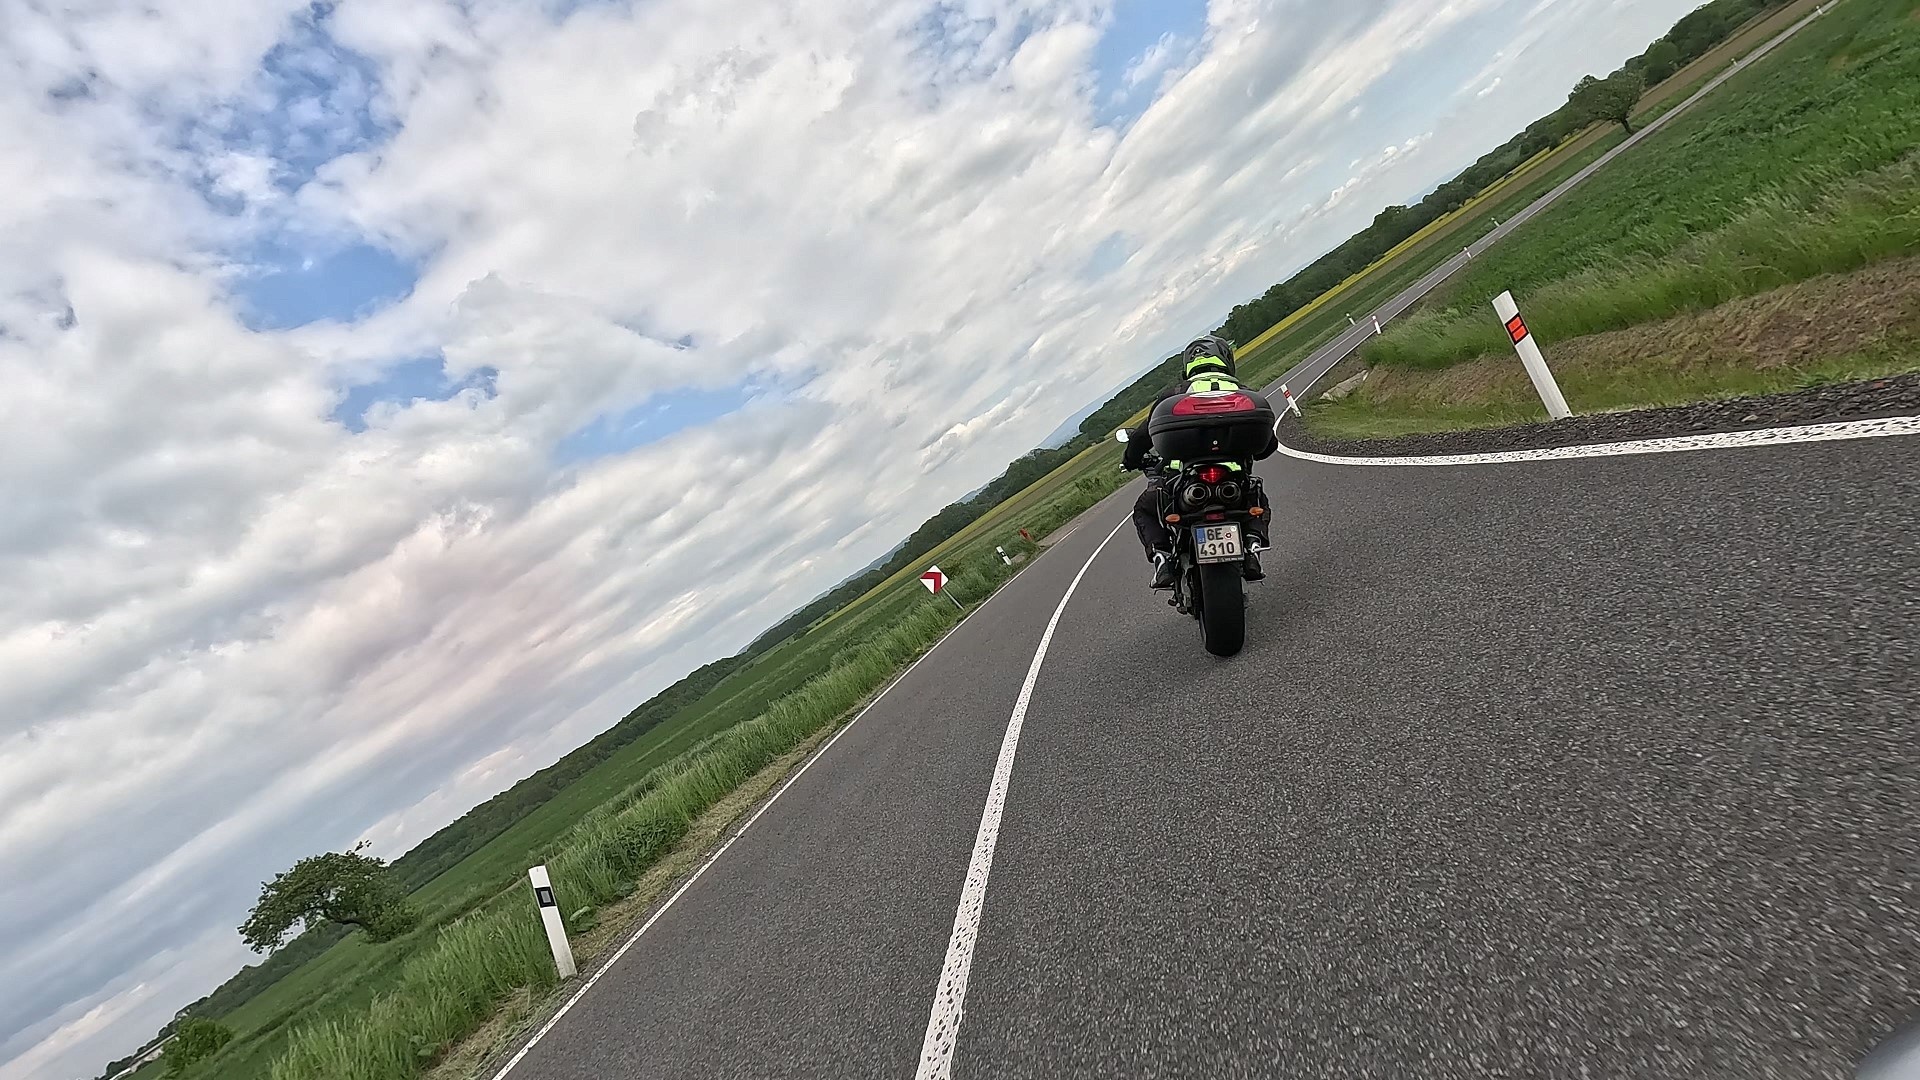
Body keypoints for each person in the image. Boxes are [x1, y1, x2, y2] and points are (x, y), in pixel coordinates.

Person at [1121, 334, 1276, 588]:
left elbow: (1141, 436)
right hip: (1234, 478)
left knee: (1145, 508)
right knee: (1256, 496)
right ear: (1226, 360)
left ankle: (1162, 557)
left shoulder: (1173, 395)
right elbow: (1267, 444)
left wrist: (1130, 460)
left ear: (1188, 365)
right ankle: (1252, 546)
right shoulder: (1243, 392)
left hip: (1182, 480)